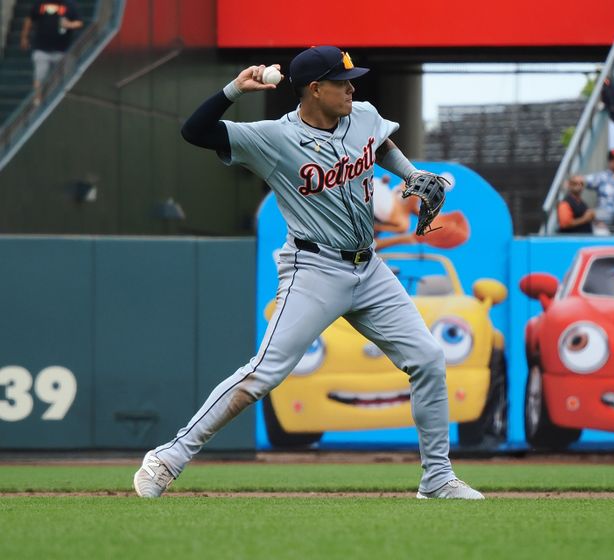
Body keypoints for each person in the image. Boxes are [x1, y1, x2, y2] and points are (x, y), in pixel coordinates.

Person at [132, 46, 484, 500]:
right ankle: (168, 458)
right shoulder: (273, 138)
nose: (352, 88)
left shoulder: (362, 114)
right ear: (315, 89)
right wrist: (236, 88)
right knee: (264, 373)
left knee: (429, 359)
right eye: (342, 81)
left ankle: (437, 479)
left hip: (369, 267)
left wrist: (411, 173)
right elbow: (194, 131)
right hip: (312, 267)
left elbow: (380, 143)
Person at [19, 1, 83, 106]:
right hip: (41, 48)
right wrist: (24, 37)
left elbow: (79, 22)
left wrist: (69, 24)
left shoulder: (69, 5)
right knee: (40, 75)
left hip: (62, 50)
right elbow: (29, 19)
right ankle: (38, 99)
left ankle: (57, 98)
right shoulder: (39, 4)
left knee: (62, 76)